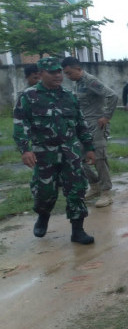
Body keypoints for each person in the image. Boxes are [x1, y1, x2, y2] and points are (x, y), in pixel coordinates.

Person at [12, 56, 96, 244]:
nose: (58, 75)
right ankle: (43, 215)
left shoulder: (69, 96)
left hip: (70, 152)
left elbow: (81, 124)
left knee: (77, 189)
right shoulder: (29, 96)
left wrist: (89, 147)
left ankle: (78, 230)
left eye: (59, 71)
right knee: (44, 192)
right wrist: (25, 150)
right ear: (41, 74)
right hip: (44, 153)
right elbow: (20, 124)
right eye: (52, 72)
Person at [61, 57, 118, 208]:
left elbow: (112, 95)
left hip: (95, 125)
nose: (68, 76)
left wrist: (106, 116)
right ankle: (95, 185)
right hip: (82, 126)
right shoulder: (78, 83)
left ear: (78, 69)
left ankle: (106, 192)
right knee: (78, 157)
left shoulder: (90, 81)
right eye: (66, 74)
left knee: (99, 158)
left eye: (69, 73)